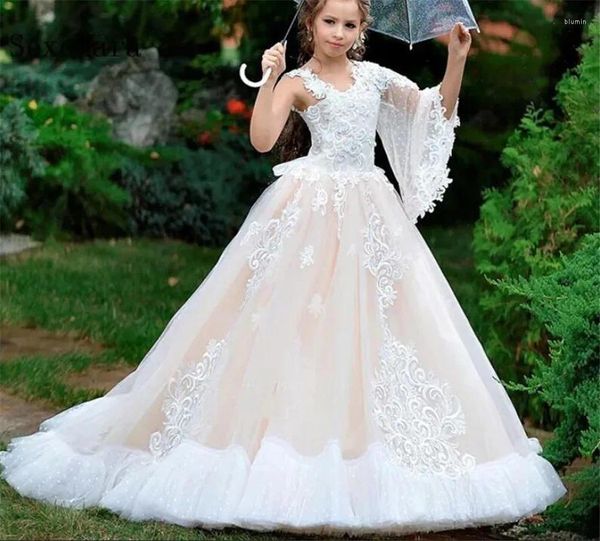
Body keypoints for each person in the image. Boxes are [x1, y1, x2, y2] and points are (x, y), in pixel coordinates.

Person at [1, 0, 567, 536]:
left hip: (371, 213)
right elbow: (263, 139)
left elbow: (433, 112)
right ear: (310, 23)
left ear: (361, 29)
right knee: (288, 323)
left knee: (381, 327)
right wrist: (270, 77)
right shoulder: (299, 82)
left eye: (349, 25)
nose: (340, 34)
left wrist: (457, 59)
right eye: (330, 23)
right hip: (309, 210)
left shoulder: (374, 77)